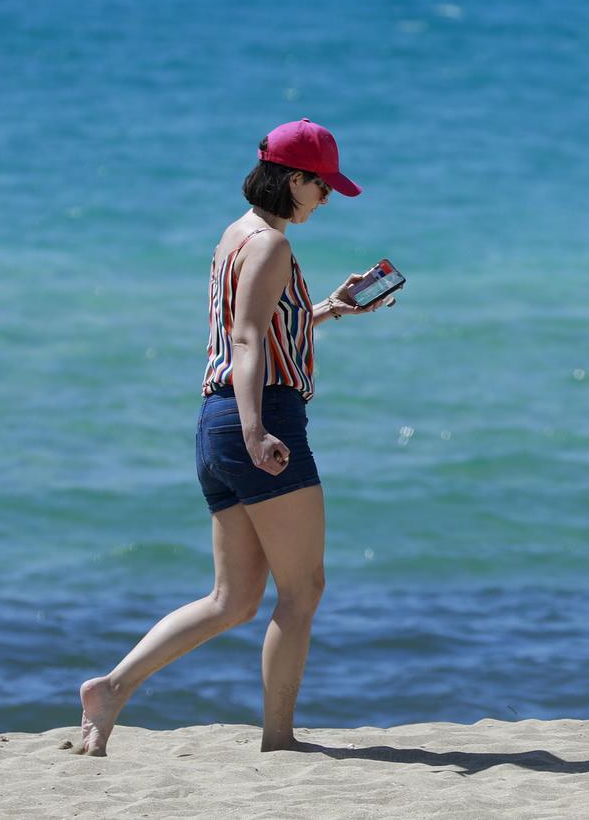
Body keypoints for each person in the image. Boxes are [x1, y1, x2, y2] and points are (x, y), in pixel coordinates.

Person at [77, 119, 393, 756]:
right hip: (258, 419)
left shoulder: (237, 235)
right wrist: (258, 431)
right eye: (323, 187)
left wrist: (328, 308)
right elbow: (247, 340)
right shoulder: (271, 246)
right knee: (302, 591)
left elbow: (252, 328)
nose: (327, 199)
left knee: (232, 599)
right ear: (294, 179)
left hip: (216, 421)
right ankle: (279, 740)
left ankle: (110, 688)